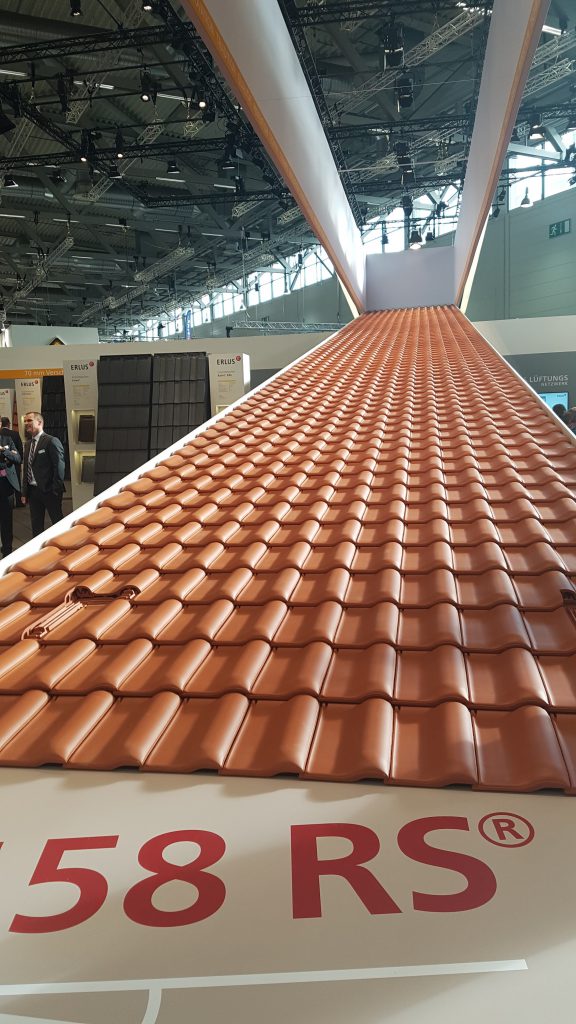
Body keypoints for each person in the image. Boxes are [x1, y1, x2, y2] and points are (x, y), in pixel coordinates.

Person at [21, 411, 65, 537]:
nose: (26, 423)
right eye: (25, 421)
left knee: (58, 523)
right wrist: (24, 492)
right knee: (36, 526)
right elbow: (26, 469)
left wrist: (55, 489)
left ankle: (64, 546)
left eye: (29, 420)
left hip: (50, 491)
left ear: (39, 422)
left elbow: (59, 466)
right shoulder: (28, 444)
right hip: (33, 492)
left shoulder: (51, 441)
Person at [0, 435, 21, 558]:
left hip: (6, 486)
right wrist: (8, 458)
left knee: (6, 520)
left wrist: (4, 450)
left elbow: (17, 458)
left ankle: (7, 550)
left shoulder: (7, 440)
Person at [0, 415, 24, 487]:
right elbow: (20, 451)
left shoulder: (6, 437)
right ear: (8, 424)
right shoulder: (15, 434)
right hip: (14, 466)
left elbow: (18, 456)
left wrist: (4, 450)